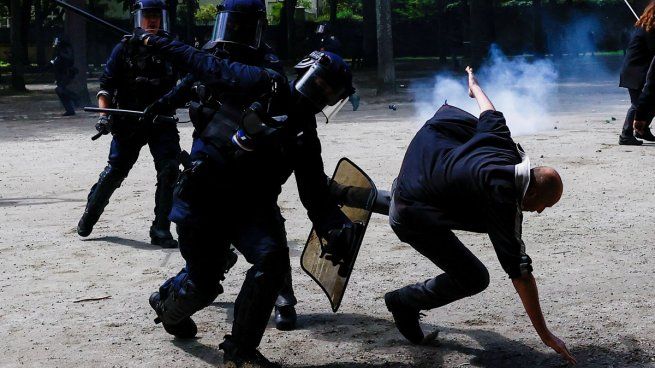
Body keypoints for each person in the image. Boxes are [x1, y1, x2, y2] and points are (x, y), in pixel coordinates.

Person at [137, 28, 357, 367]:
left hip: (251, 208)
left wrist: (336, 228)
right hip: (204, 199)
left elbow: (314, 194)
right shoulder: (260, 82)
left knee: (271, 260)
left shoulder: (304, 135)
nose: (319, 94)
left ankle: (240, 351)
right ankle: (168, 307)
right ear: (303, 73)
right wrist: (156, 41)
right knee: (203, 285)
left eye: (329, 93)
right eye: (319, 83)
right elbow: (206, 65)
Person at [383, 66, 576, 365]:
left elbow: (489, 110)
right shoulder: (502, 199)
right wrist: (545, 334)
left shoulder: (504, 144)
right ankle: (403, 301)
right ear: (533, 192)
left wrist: (475, 87)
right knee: (474, 277)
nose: (539, 212)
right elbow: (520, 273)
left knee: (463, 180)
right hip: (411, 211)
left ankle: (396, 195)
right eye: (543, 205)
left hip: (420, 165)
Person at [76, 0, 181, 248]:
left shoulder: (172, 49)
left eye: (156, 16)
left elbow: (189, 79)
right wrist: (104, 117)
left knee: (169, 170)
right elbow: (106, 87)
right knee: (115, 172)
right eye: (148, 16)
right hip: (128, 120)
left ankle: (161, 229)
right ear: (138, 18)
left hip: (161, 120)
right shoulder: (123, 50)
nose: (152, 21)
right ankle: (89, 216)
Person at [619, 0, 655, 145]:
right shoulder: (648, 30)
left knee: (651, 102)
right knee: (637, 104)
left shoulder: (649, 28)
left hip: (640, 71)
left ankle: (643, 129)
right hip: (634, 72)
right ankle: (625, 135)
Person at [51, 36, 78, 116]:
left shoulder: (66, 49)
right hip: (59, 74)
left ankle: (75, 98)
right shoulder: (58, 51)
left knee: (59, 90)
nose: (55, 44)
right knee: (60, 92)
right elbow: (54, 61)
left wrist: (60, 54)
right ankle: (70, 110)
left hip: (66, 73)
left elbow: (69, 59)